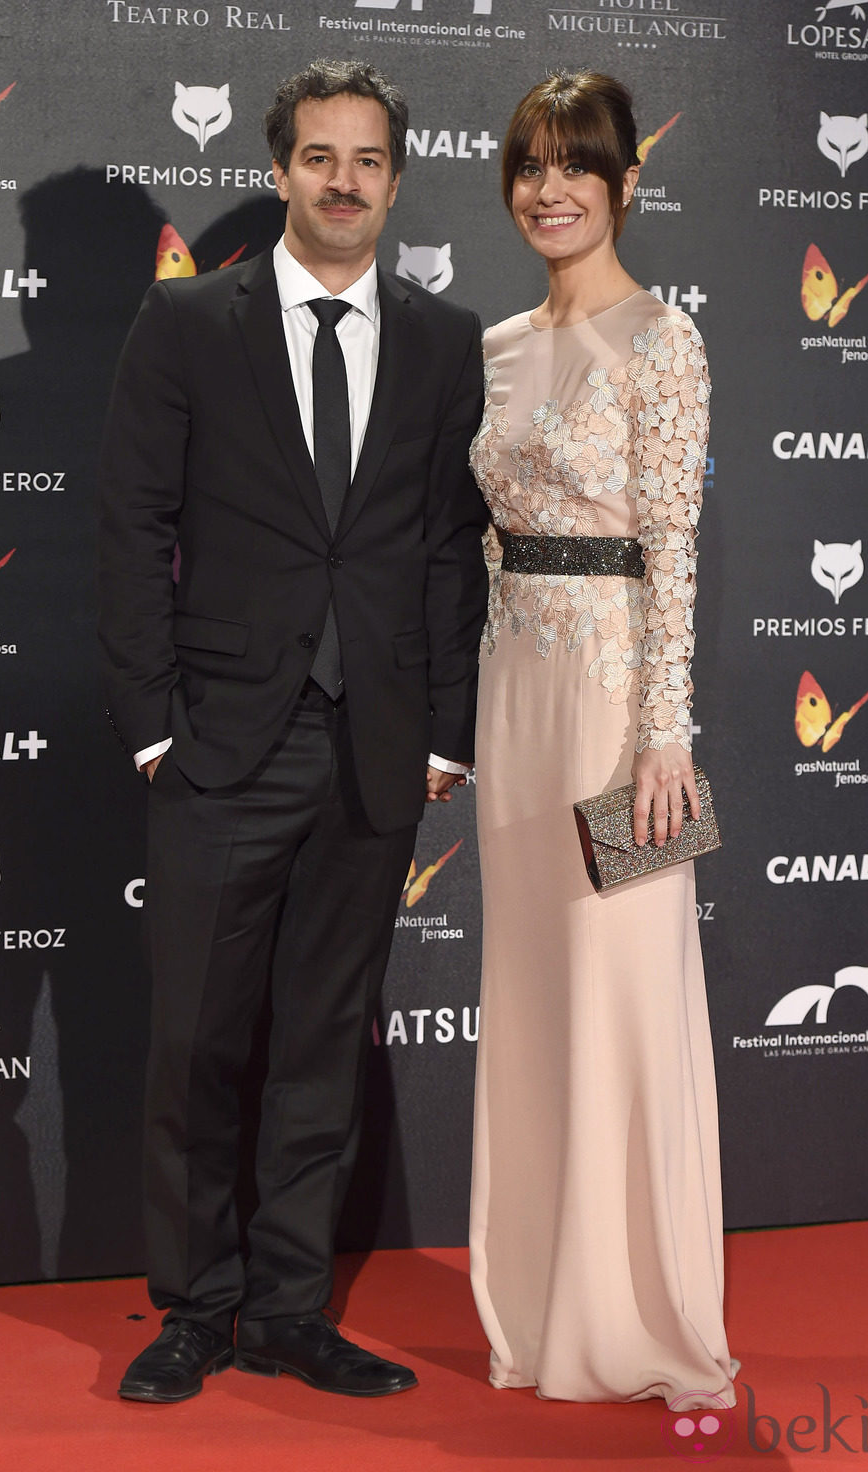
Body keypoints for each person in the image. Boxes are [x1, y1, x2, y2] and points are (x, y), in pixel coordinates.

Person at [98, 58, 487, 1404]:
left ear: (394, 177)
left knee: (324, 1042)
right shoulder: (189, 324)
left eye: (367, 160)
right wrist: (153, 727)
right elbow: (131, 527)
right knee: (199, 1040)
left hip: (374, 749)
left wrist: (448, 734)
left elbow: (447, 550)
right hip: (221, 742)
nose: (343, 181)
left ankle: (287, 1308)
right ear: (278, 173)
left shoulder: (445, 342)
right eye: (318, 157)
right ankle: (195, 1309)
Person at [468, 71, 736, 1407]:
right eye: (530, 164)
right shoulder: (499, 346)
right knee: (529, 997)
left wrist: (665, 733)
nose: (550, 187)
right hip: (512, 693)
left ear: (626, 184)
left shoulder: (664, 338)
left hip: (615, 701)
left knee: (622, 994)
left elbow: (673, 543)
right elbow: (485, 531)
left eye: (577, 165)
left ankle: (643, 1315)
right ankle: (532, 1304)